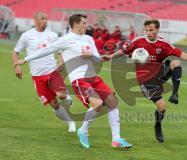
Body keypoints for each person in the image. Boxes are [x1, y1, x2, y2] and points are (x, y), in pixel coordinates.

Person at [15, 14, 132, 149]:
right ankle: (83, 130)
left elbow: (97, 59)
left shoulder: (89, 39)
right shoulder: (66, 40)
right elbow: (46, 50)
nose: (86, 25)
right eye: (83, 23)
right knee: (98, 104)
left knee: (113, 102)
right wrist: (26, 59)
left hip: (93, 76)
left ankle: (116, 139)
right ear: (75, 24)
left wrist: (93, 56)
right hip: (78, 79)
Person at [102, 19, 187, 143]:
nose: (148, 33)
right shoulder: (138, 41)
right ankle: (158, 125)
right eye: (146, 30)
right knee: (162, 107)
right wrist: (111, 56)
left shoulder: (163, 44)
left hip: (158, 73)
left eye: (151, 30)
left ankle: (175, 93)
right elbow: (123, 51)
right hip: (145, 79)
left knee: (176, 63)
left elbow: (181, 53)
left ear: (157, 29)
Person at [12, 12, 76, 132]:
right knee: (54, 104)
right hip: (37, 76)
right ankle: (70, 122)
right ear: (35, 21)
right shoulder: (27, 35)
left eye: (46, 19)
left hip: (52, 71)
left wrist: (61, 61)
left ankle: (66, 95)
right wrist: (17, 67)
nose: (45, 21)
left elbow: (60, 50)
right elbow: (15, 51)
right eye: (42, 19)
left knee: (61, 95)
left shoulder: (52, 35)